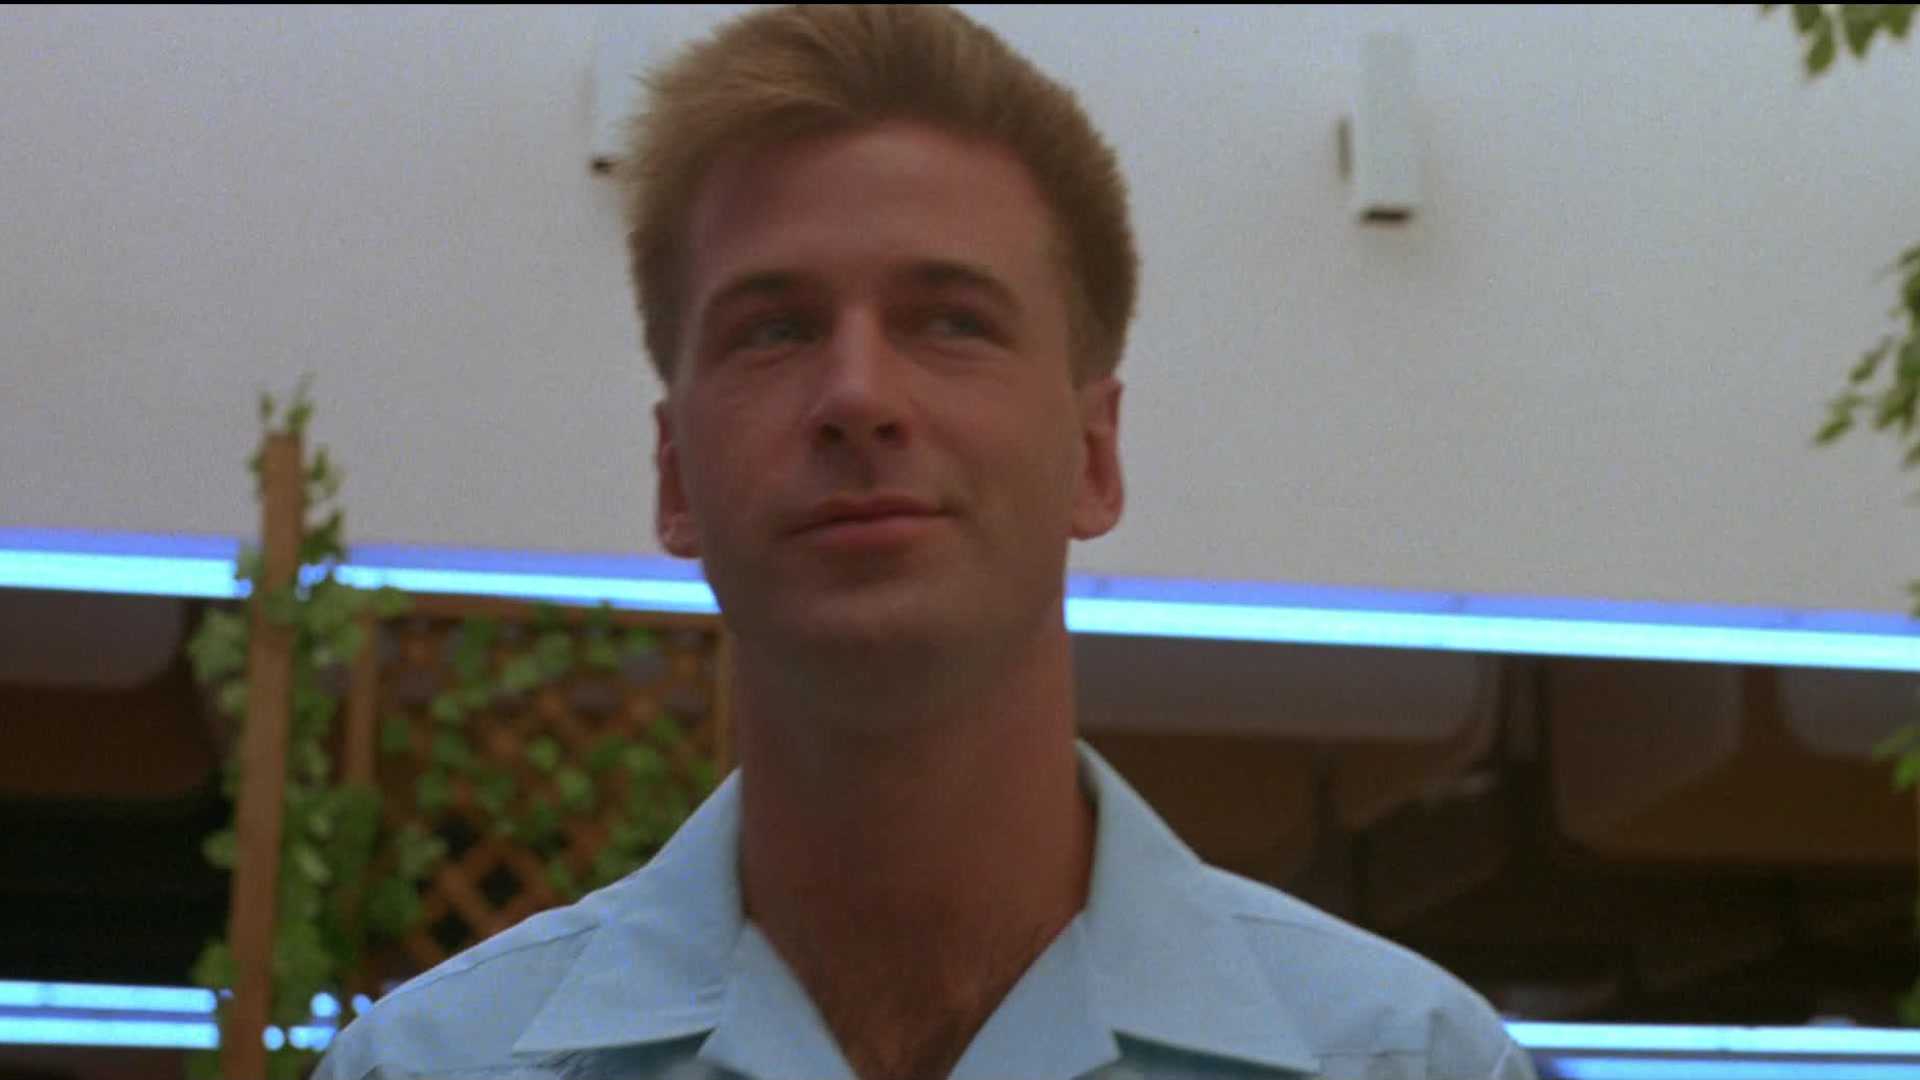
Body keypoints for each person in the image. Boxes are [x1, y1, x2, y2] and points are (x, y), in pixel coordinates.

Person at [315, 6, 1538, 1079]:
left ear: (1094, 455)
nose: (857, 393)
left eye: (951, 321)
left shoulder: (1409, 1062)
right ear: (676, 474)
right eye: (774, 329)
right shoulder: (430, 1068)